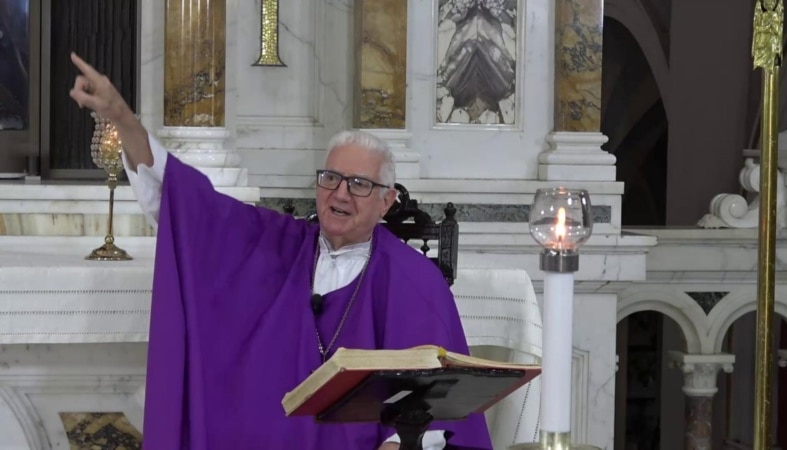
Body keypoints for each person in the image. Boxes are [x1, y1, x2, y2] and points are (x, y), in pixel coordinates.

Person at [69, 52, 493, 450]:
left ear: (386, 202)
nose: (340, 193)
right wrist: (123, 119)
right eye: (331, 178)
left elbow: (436, 402)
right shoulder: (275, 244)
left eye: (359, 184)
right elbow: (189, 208)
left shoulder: (412, 280)